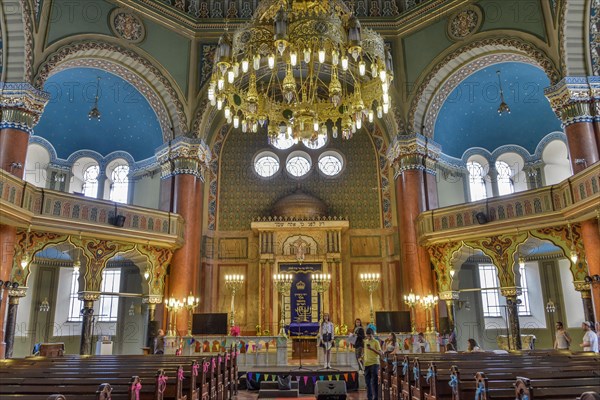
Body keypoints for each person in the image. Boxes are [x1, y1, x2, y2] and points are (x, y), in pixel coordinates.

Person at [364, 327, 383, 400]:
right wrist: (362, 357)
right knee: (367, 383)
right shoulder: (365, 342)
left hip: (374, 363)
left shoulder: (376, 342)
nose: (368, 337)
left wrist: (372, 348)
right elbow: (365, 352)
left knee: (374, 382)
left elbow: (380, 353)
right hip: (366, 364)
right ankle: (369, 397)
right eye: (367, 336)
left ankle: (376, 398)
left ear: (373, 334)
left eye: (370, 336)